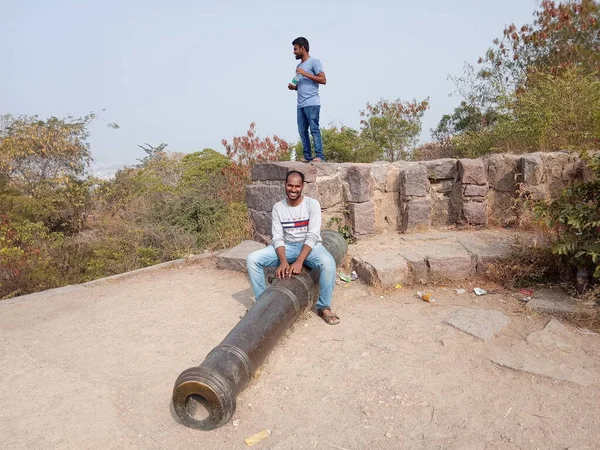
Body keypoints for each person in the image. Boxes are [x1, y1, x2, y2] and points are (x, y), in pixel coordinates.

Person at [246, 170, 339, 325]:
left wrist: (299, 261)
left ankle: (324, 307)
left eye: (297, 186)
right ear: (285, 185)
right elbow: (278, 237)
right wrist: (283, 262)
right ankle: (262, 303)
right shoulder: (278, 207)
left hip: (311, 248)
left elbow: (313, 235)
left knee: (328, 264)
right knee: (252, 259)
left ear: (302, 187)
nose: (293, 189)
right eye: (290, 185)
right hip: (288, 247)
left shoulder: (312, 204)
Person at [288, 37, 327, 164]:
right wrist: (294, 87)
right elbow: (302, 84)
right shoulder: (299, 66)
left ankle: (319, 156)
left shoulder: (314, 62)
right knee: (302, 131)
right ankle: (307, 156)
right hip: (300, 104)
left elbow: (323, 80)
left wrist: (304, 73)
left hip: (312, 103)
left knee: (314, 129)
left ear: (302, 48)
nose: (294, 52)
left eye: (295, 49)